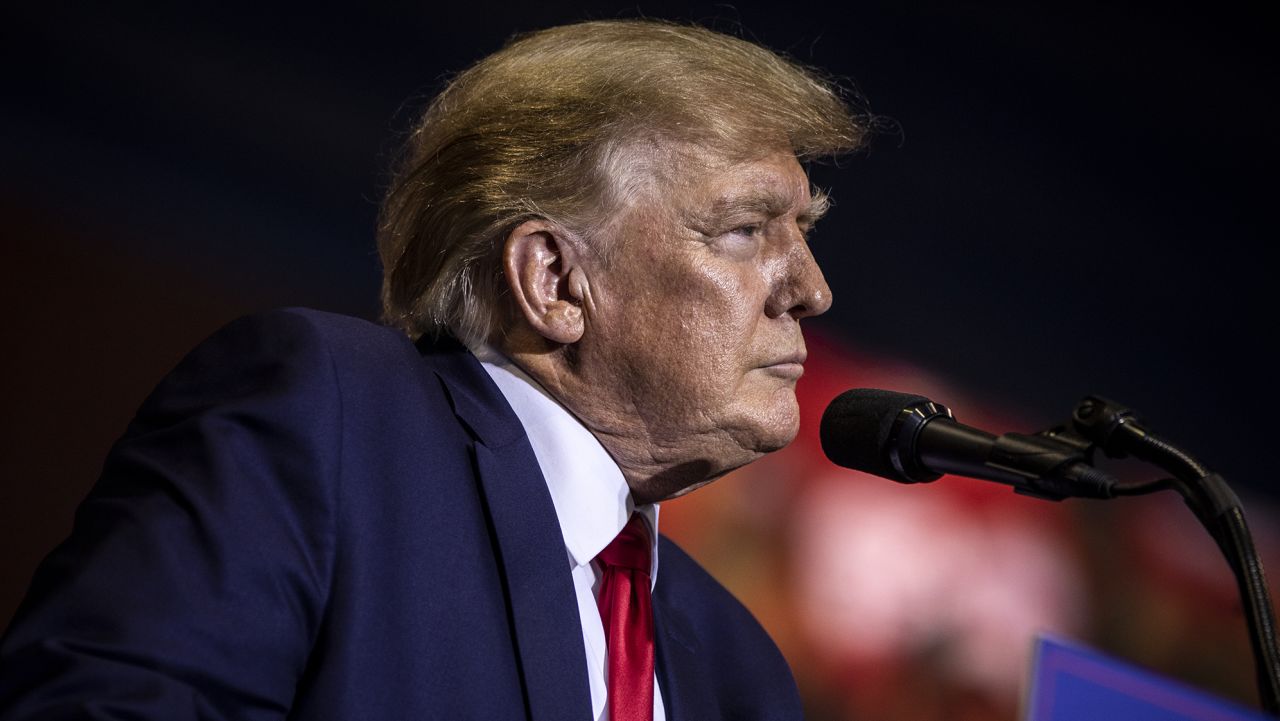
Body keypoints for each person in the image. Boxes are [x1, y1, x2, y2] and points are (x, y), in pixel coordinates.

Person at [0, 19, 863, 720]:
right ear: (554, 281)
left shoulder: (740, 667)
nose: (812, 290)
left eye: (805, 233)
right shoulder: (328, 417)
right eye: (748, 229)